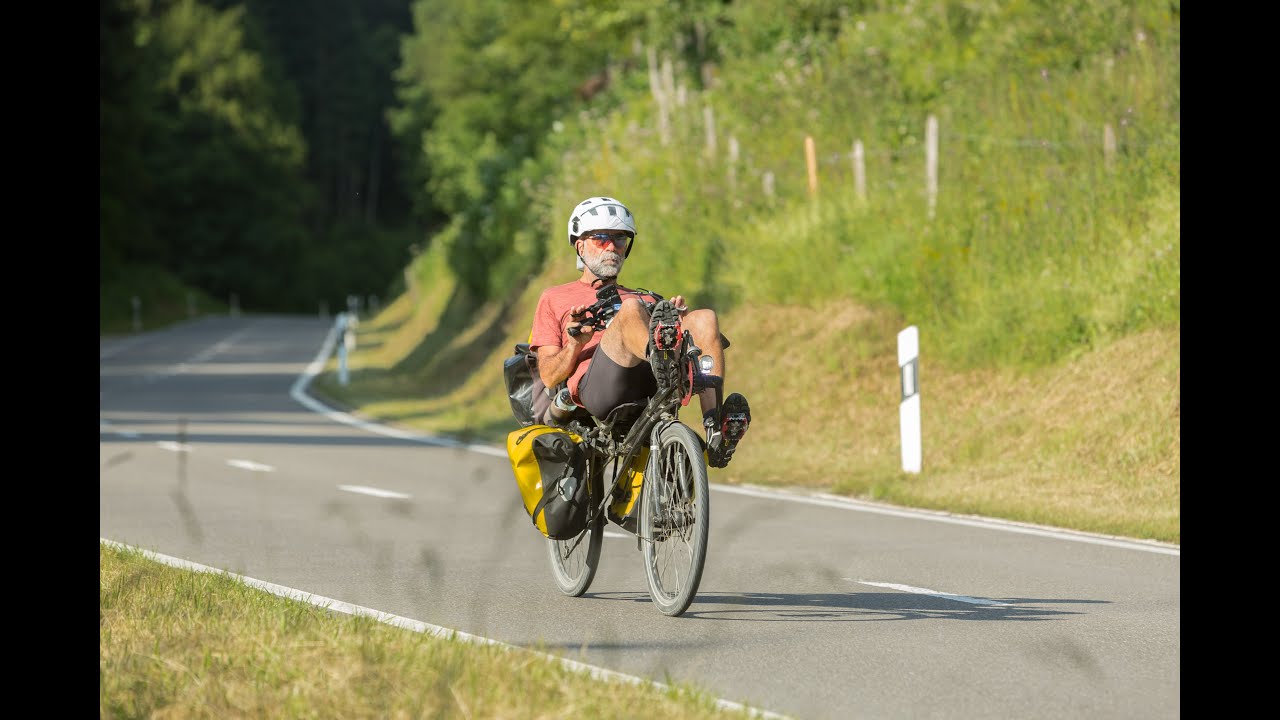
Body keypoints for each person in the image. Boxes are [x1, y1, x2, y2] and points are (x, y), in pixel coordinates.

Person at [528, 196, 751, 468]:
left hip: (653, 383)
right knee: (631, 309)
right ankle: (661, 356)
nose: (612, 247)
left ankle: (716, 430)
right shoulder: (554, 298)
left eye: (620, 240)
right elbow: (549, 376)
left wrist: (679, 322)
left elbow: (688, 325)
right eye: (601, 239)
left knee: (704, 318)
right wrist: (575, 344)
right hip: (601, 389)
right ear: (580, 245)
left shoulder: (645, 297)